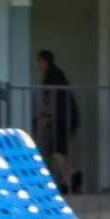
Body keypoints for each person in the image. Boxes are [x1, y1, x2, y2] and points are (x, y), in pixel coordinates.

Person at [35, 49, 81, 190]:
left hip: (63, 117)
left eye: (39, 61)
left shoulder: (51, 75)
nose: (39, 65)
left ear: (45, 61)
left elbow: (52, 99)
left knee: (56, 149)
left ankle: (72, 178)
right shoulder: (57, 73)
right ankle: (69, 180)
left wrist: (45, 115)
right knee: (61, 150)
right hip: (69, 115)